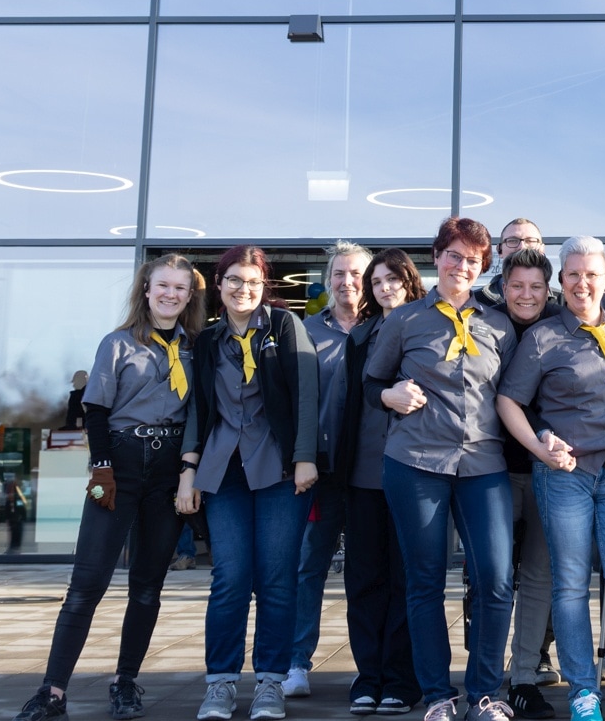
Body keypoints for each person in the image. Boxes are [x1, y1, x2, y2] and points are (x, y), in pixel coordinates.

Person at [16, 254, 204, 721]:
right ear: (146, 289)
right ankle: (53, 691)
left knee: (147, 587)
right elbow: (95, 411)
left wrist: (188, 471)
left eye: (181, 288)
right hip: (118, 466)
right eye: (163, 285)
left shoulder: (196, 350)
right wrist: (101, 469)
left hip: (168, 470)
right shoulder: (117, 344)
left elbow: (201, 417)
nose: (171, 295)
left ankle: (125, 682)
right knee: (87, 584)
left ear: (189, 296)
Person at [498, 236, 605, 721]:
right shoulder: (542, 337)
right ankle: (583, 693)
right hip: (564, 476)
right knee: (570, 586)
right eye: (573, 275)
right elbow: (510, 400)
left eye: (592, 274)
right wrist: (539, 445)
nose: (582, 283)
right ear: (561, 282)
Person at [368, 218, 518, 721]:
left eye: (473, 260)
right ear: (438, 257)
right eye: (454, 255)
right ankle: (437, 696)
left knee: (496, 580)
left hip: (483, 463)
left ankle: (485, 693)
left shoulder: (498, 324)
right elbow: (371, 383)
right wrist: (389, 394)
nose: (462, 266)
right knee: (426, 580)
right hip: (415, 463)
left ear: (483, 267)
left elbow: (515, 395)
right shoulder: (405, 320)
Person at [177, 245, 323, 721]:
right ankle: (219, 683)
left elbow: (306, 394)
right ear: (219, 285)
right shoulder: (207, 341)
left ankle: (269, 683)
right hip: (224, 472)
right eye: (235, 280)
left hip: (280, 470)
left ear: (265, 288)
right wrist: (190, 469)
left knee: (278, 580)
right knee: (230, 579)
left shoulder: (284, 327)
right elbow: (199, 407)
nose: (244, 289)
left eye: (254, 282)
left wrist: (304, 457)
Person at [340, 249, 427, 716]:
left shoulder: (427, 327)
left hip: (414, 472)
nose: (385, 287)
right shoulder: (361, 337)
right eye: (377, 282)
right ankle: (367, 675)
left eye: (393, 279)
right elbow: (350, 401)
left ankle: (399, 676)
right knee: (365, 579)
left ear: (409, 281)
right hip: (363, 473)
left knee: (405, 577)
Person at [285, 242, 372, 700]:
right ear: (328, 279)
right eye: (339, 273)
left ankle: (369, 668)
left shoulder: (383, 327)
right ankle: (297, 662)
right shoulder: (305, 332)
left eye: (356, 273)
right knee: (308, 566)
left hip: (369, 474)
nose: (347, 282)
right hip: (319, 472)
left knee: (365, 571)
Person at [489, 247, 560, 719]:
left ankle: (524, 675)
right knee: (490, 577)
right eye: (517, 285)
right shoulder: (485, 323)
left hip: (545, 471)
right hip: (489, 469)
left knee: (539, 576)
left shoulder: (561, 324)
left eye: (536, 286)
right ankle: (485, 671)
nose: (526, 295)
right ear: (503, 284)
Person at [485, 219, 550, 310]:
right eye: (512, 241)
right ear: (499, 250)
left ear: (542, 249)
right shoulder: (477, 302)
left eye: (530, 241)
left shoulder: (562, 303)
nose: (522, 247)